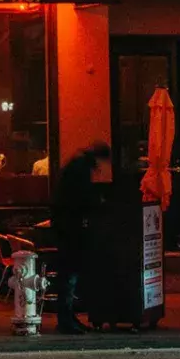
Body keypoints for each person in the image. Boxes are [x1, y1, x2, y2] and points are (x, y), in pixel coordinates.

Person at [50, 141, 111, 334]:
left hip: (65, 226)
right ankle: (66, 319)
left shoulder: (76, 165)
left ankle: (68, 317)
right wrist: (98, 203)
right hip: (71, 228)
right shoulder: (81, 169)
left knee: (69, 274)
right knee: (69, 274)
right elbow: (82, 197)